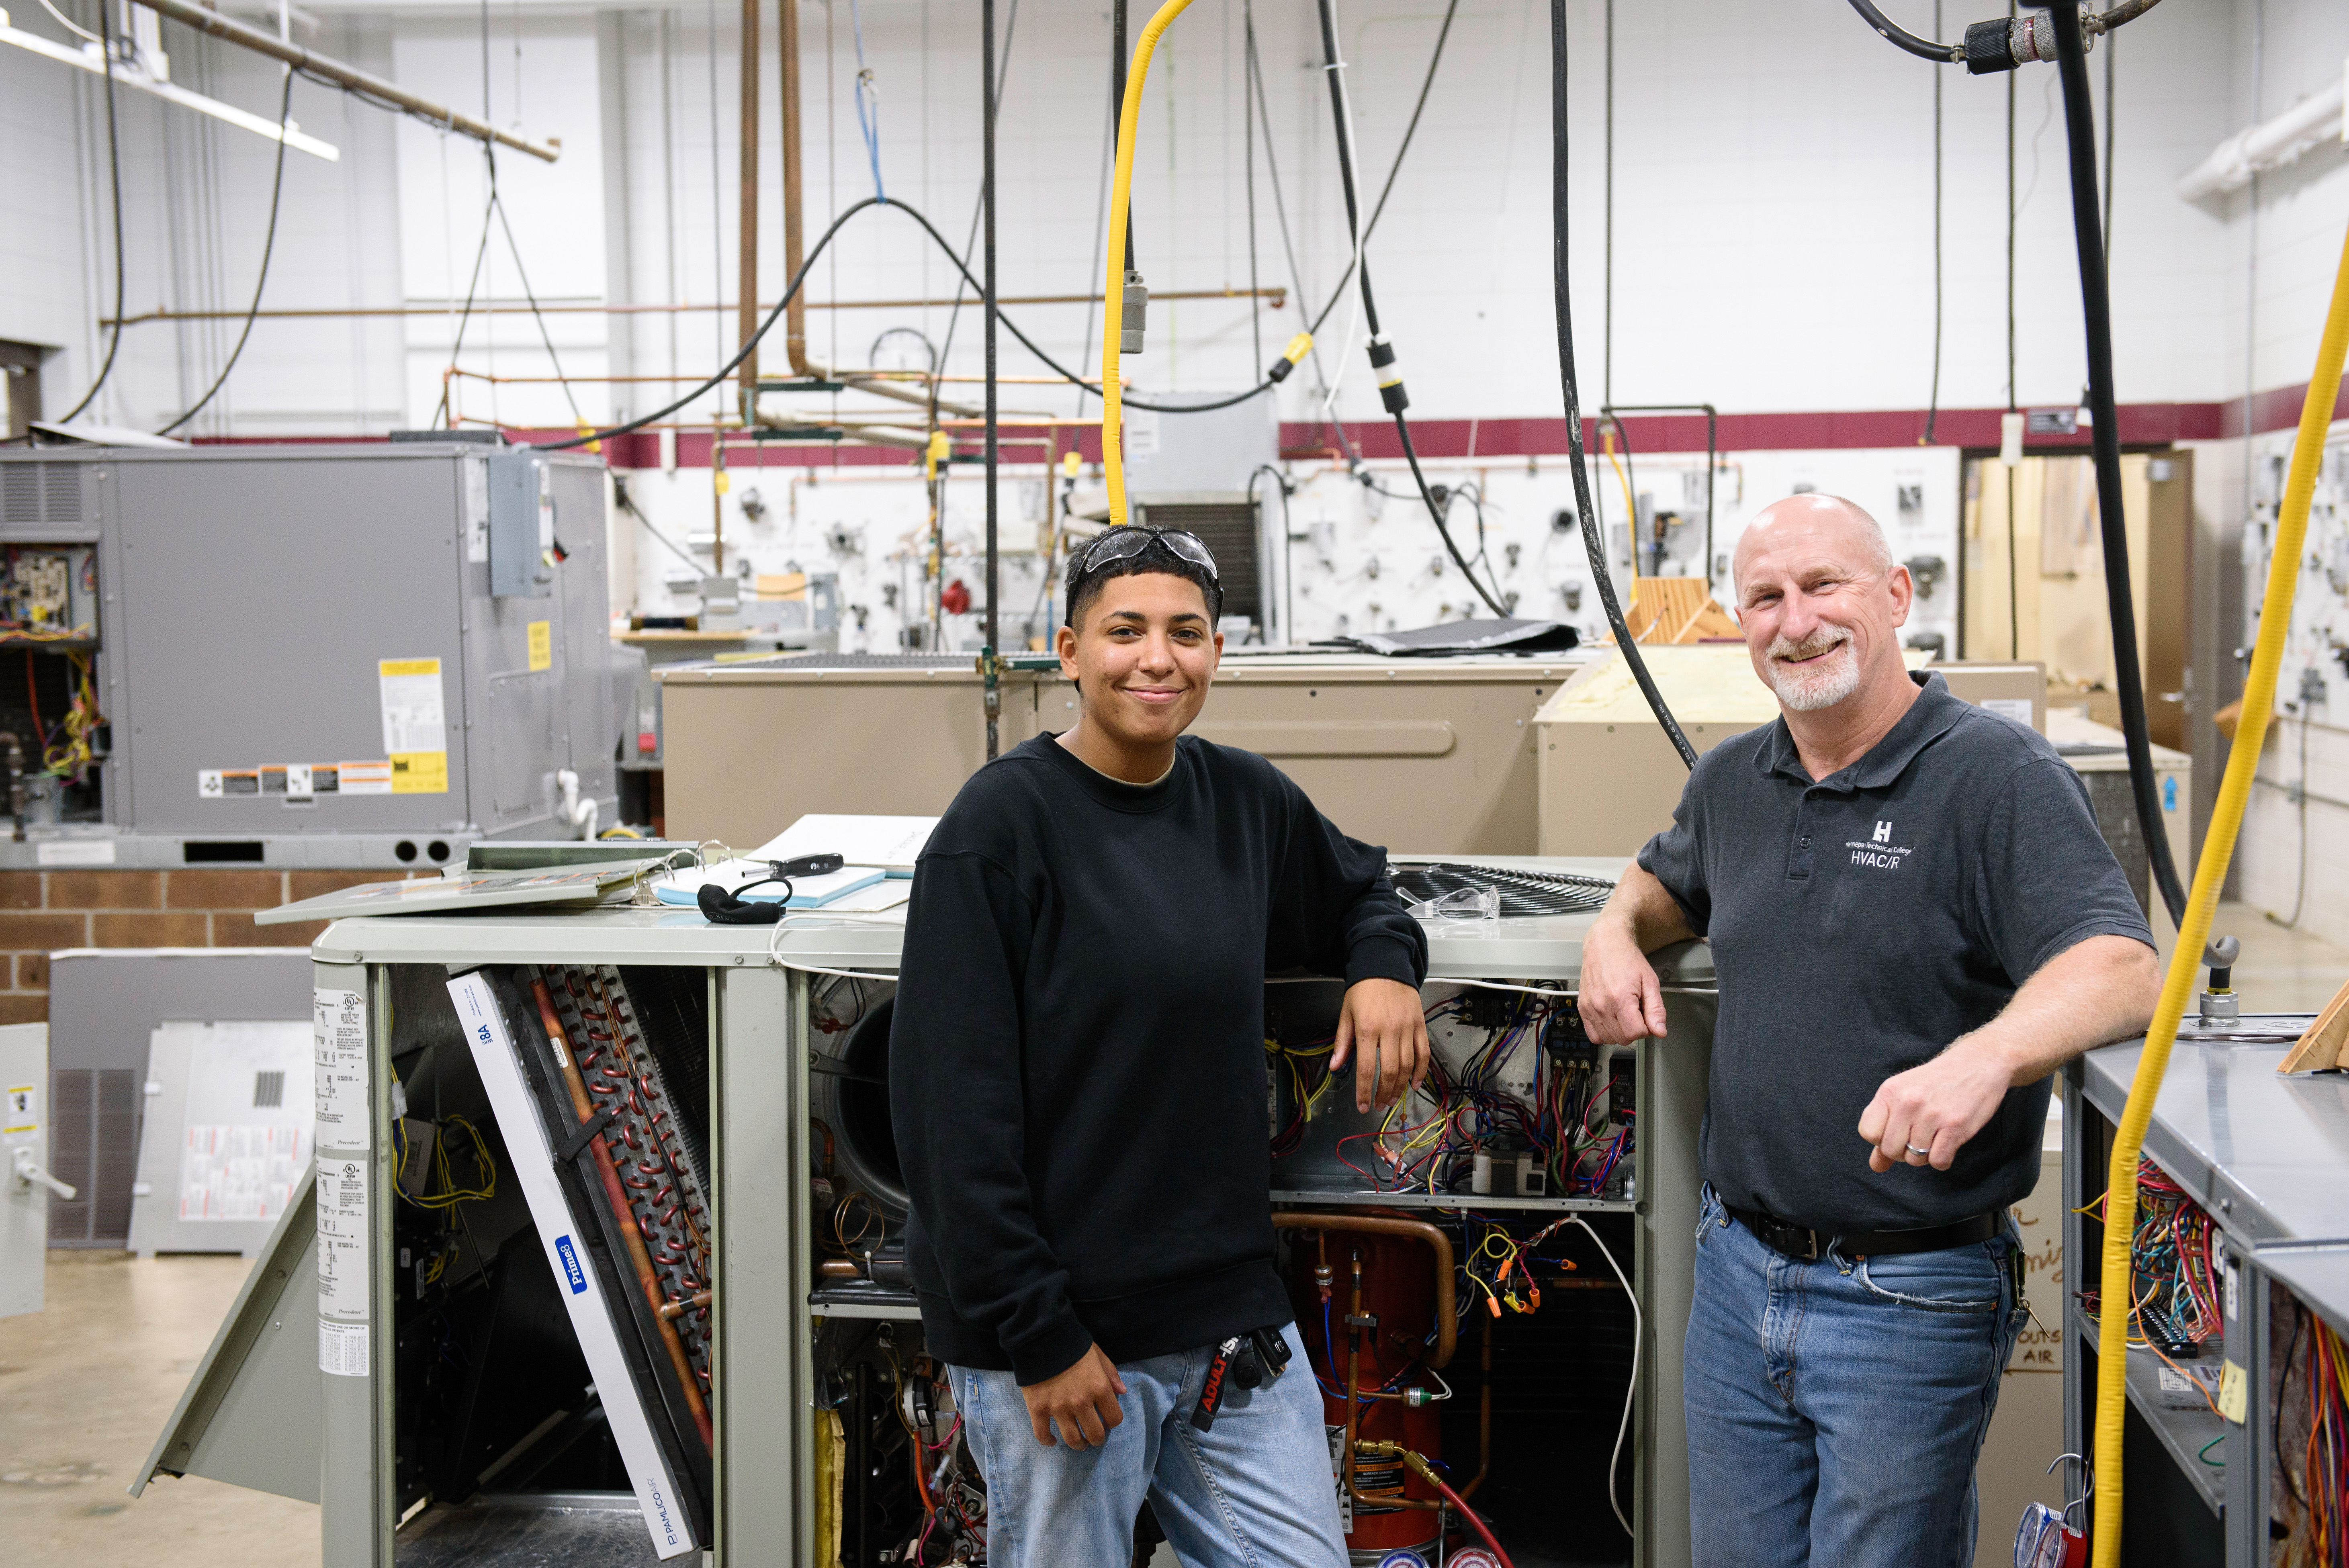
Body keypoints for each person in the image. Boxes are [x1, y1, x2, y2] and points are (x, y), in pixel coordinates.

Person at [1578, 493, 2162, 1567]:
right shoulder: (1733, 782)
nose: (1795, 621)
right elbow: (1663, 884)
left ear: (1896, 597)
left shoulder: (1997, 777)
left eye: (1824, 586)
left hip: (1911, 1291)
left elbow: (2121, 966)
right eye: (1765, 598)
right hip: (1737, 1272)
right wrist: (1613, 931)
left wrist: (1988, 1054)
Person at [889, 525, 1432, 1568]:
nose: (1157, 658)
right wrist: (1040, 1334)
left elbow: (1365, 886)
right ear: (1070, 650)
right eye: (1125, 630)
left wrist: (1382, 970)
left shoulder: (1243, 801)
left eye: (1185, 632)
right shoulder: (998, 831)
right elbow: (948, 1116)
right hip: (1062, 1339)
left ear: (1217, 653)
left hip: (1226, 1322)